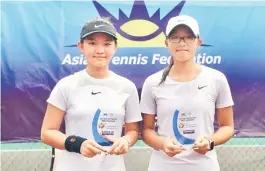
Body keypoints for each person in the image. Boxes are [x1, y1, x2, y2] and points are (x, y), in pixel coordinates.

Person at [41, 17, 142, 171]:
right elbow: (47, 132)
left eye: (107, 44)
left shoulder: (127, 87)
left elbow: (133, 131)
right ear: (80, 46)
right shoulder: (66, 85)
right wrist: (78, 144)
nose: (100, 50)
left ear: (115, 48)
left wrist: (126, 141)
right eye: (92, 43)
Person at [140, 15, 234, 171]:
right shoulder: (152, 82)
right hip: (163, 166)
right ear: (166, 43)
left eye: (188, 37)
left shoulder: (216, 79)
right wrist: (163, 144)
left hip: (204, 166)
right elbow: (146, 130)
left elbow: (228, 126)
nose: (182, 43)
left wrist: (210, 141)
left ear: (198, 42)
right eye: (175, 37)